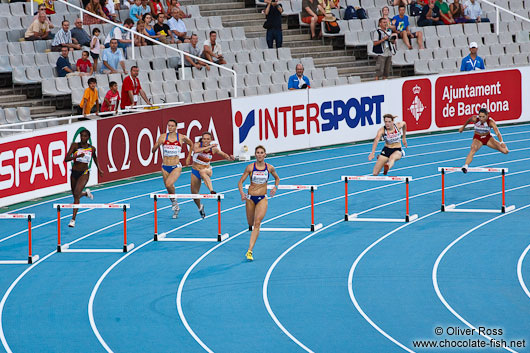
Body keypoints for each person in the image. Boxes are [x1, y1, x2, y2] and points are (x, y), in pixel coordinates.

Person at [237, 145, 280, 261]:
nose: (260, 154)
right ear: (255, 155)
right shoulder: (250, 167)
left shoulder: (269, 168)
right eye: (258, 152)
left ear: (265, 154)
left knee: (257, 223)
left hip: (262, 199)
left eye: (262, 152)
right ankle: (251, 235)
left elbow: (277, 178)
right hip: (250, 199)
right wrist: (242, 194)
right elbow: (240, 182)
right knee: (250, 223)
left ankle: (249, 251)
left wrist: (275, 188)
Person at [151, 120, 193, 218]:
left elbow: (191, 144)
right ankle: (175, 204)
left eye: (172, 126)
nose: (170, 127)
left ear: (176, 127)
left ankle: (174, 202)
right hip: (165, 166)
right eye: (169, 126)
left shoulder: (181, 137)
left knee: (168, 184)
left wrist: (188, 157)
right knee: (169, 187)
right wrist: (157, 145)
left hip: (176, 166)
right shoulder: (162, 137)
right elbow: (153, 151)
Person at [189, 132, 235, 218]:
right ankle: (200, 207)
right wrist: (210, 146)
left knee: (202, 172)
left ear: (211, 140)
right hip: (195, 171)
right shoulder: (197, 145)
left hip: (207, 170)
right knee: (194, 194)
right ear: (202, 139)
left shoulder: (214, 149)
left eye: (208, 139)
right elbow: (196, 150)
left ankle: (211, 190)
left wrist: (230, 158)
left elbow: (223, 155)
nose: (206, 141)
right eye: (204, 139)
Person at [64, 129, 103, 227]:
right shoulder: (75, 146)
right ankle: (85, 193)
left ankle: (73, 219)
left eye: (85, 136)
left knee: (76, 194)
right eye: (81, 136)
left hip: (84, 173)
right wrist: (76, 157)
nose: (83, 138)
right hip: (74, 173)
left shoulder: (92, 148)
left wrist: (99, 169)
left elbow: (95, 158)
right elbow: (66, 159)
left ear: (88, 138)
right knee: (75, 195)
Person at [458, 108, 508, 173]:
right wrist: (463, 127)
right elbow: (468, 120)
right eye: (480, 116)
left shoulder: (491, 122)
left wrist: (501, 142)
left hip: (488, 138)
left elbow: (497, 132)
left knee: (505, 151)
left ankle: (499, 146)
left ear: (487, 115)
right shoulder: (475, 118)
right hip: (478, 138)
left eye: (483, 117)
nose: (481, 119)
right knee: (473, 148)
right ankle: (465, 166)